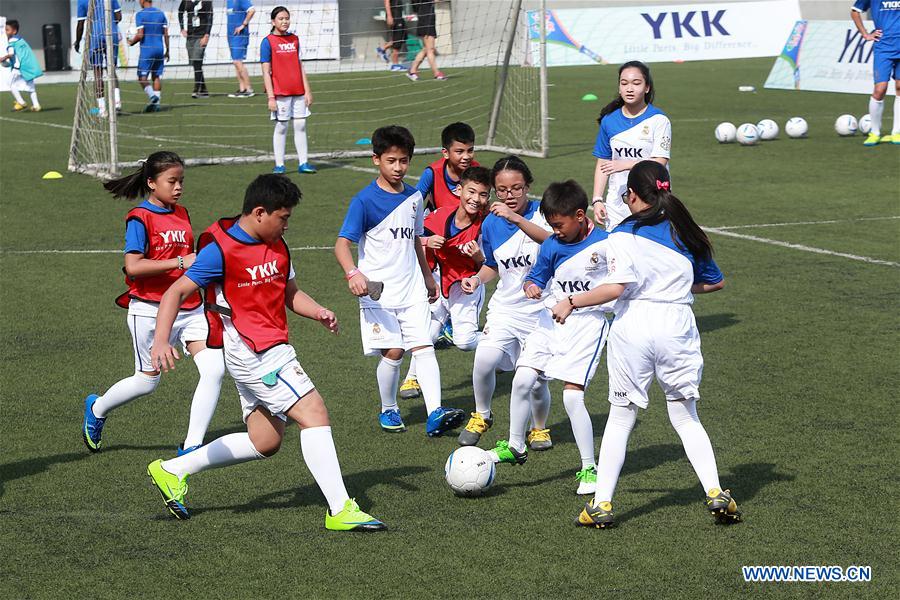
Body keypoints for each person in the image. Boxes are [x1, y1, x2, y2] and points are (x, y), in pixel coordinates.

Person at [145, 174, 386, 531]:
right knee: (314, 411)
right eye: (283, 218)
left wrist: (318, 311)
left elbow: (290, 293)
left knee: (266, 440)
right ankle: (340, 509)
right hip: (255, 352)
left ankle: (172, 470)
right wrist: (161, 340)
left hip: (268, 347)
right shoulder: (222, 249)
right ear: (259, 213)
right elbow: (174, 293)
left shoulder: (279, 245)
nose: (286, 225)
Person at [548, 161, 740, 529]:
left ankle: (601, 503)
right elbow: (714, 283)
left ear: (632, 195)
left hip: (635, 326)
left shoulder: (622, 233)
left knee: (621, 419)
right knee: (686, 417)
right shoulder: (687, 230)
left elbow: (616, 288)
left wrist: (571, 302)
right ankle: (715, 492)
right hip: (677, 325)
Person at [82, 151, 225, 458]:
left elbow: (189, 263)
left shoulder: (182, 213)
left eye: (181, 181)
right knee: (147, 382)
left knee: (214, 369)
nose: (178, 187)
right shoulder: (139, 217)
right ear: (151, 182)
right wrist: (178, 261)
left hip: (190, 309)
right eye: (171, 181)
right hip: (149, 310)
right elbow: (133, 266)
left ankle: (191, 447)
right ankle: (97, 407)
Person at [334, 125, 466, 436]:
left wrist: (427, 279)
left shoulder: (415, 198)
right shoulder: (364, 201)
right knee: (393, 353)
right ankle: (389, 407)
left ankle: (435, 412)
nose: (398, 167)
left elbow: (418, 240)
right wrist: (353, 273)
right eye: (391, 161)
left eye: (404, 161)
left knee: (424, 348)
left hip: (412, 290)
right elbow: (342, 244)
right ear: (375, 159)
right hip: (378, 294)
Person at [495, 180, 612, 496]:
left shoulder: (606, 245)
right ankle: (516, 446)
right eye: (550, 226)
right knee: (521, 380)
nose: (555, 231)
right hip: (549, 321)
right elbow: (537, 275)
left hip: (587, 325)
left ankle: (589, 468)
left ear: (579, 215)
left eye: (559, 225)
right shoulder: (551, 244)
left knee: (572, 398)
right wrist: (531, 285)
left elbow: (618, 288)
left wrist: (574, 302)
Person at [457, 156, 552, 450]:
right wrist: (477, 278)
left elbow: (556, 244)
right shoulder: (491, 224)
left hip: (541, 312)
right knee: (484, 359)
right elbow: (493, 265)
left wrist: (517, 219)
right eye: (502, 190)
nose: (510, 196)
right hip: (506, 308)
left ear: (528, 187)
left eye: (517, 189)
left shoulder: (544, 215)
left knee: (535, 380)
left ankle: (539, 429)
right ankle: (482, 415)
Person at [398, 121, 478, 399]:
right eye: (459, 151)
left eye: (470, 150)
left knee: (463, 340)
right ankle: (411, 379)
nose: (466, 157)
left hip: (466, 267)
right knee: (426, 327)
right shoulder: (432, 173)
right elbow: (413, 206)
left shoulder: (477, 177)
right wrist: (425, 236)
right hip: (438, 259)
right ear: (446, 153)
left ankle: (502, 343)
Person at [591, 60, 671, 231]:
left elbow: (659, 163)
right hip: (617, 204)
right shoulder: (609, 121)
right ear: (619, 87)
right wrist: (597, 199)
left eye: (636, 83)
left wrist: (625, 164)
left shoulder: (659, 120)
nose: (629, 88)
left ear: (647, 87)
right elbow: (603, 164)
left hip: (652, 200)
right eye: (624, 83)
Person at [261, 6, 315, 175]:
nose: (284, 22)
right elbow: (265, 71)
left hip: (298, 91)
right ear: (273, 22)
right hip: (280, 93)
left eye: (286, 18)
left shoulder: (295, 39)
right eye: (280, 19)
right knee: (282, 126)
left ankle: (304, 163)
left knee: (300, 124)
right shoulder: (267, 41)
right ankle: (279, 165)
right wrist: (271, 97)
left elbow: (300, 66)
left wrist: (307, 90)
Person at [851, 1, 900, 145]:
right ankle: (875, 132)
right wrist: (865, 34)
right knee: (880, 89)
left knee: (899, 88)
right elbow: (855, 11)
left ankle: (897, 132)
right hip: (883, 48)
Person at [74, 0, 122, 117]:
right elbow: (118, 16)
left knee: (97, 71)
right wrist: (109, 23)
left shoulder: (82, 1)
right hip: (112, 33)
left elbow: (81, 24)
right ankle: (117, 103)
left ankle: (102, 109)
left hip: (96, 36)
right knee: (111, 69)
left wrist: (78, 41)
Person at [127, 0, 168, 113]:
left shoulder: (140, 14)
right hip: (159, 49)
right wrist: (167, 50)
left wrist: (131, 42)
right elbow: (166, 34)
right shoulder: (161, 13)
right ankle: (157, 105)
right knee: (156, 76)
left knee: (142, 77)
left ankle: (152, 97)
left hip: (147, 50)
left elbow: (140, 34)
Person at [1, 19, 42, 112]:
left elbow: (11, 54)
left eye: (7, 30)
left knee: (10, 83)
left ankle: (21, 102)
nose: (6, 32)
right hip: (27, 66)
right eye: (5, 30)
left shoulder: (12, 41)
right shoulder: (21, 40)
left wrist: (3, 58)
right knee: (31, 87)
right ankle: (36, 105)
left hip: (18, 68)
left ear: (14, 31)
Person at [178, 0, 213, 99]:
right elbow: (180, 12)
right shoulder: (186, 1)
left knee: (197, 61)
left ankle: (196, 89)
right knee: (194, 63)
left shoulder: (206, 1)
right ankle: (204, 90)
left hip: (201, 35)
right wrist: (182, 28)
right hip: (190, 36)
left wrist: (206, 34)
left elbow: (210, 17)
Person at [407, 0, 447, 81]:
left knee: (426, 49)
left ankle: (412, 71)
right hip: (426, 19)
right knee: (430, 49)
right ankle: (436, 73)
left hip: (427, 18)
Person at [226, 0, 255, 97]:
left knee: (237, 61)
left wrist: (243, 25)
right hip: (231, 35)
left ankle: (249, 89)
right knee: (236, 62)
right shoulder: (228, 1)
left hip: (240, 35)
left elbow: (252, 10)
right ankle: (242, 88)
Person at [377, 0, 407, 72]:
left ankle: (382, 49)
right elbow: (386, 1)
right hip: (394, 15)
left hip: (399, 15)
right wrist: (389, 16)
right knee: (397, 40)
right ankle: (395, 65)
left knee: (403, 37)